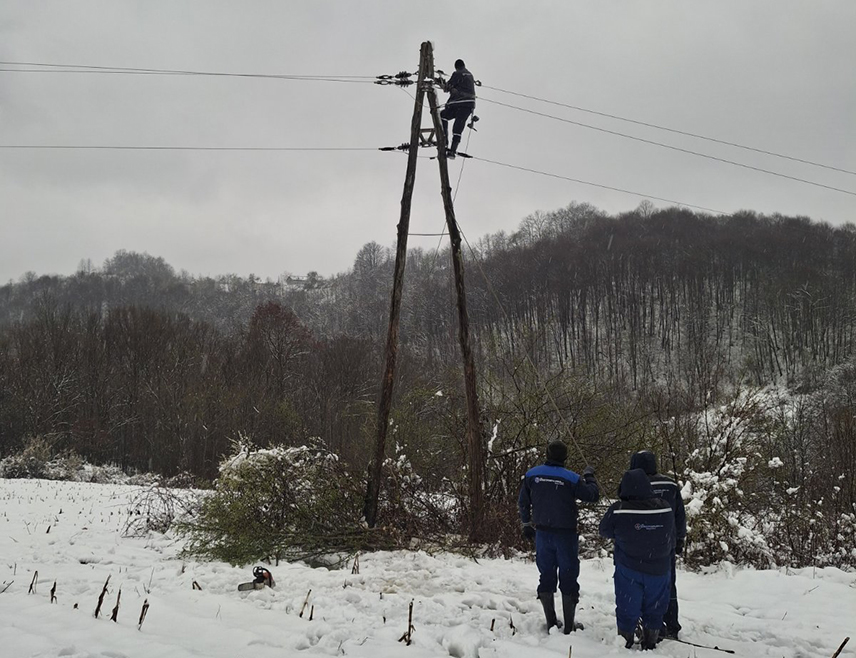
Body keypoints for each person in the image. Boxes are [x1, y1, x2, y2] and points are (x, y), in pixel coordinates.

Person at [518, 440, 600, 634]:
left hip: (542, 533)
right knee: (569, 575)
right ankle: (569, 627)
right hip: (565, 535)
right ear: (565, 457)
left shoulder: (532, 474)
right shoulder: (571, 478)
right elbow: (592, 496)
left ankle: (551, 622)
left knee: (546, 575)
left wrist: (526, 523)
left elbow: (523, 502)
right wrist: (589, 476)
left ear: (547, 454)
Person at [599, 468, 675, 650]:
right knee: (655, 608)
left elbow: (604, 530)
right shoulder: (665, 507)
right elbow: (671, 533)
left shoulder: (617, 511)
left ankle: (624, 642)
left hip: (629, 569)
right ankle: (650, 642)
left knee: (627, 607)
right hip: (659, 570)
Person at [630, 450, 686, 639]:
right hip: (666, 544)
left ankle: (651, 625)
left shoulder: (633, 484)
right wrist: (679, 539)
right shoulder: (670, 485)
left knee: (642, 585)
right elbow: (680, 515)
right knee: (668, 585)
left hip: (640, 544)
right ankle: (671, 625)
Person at [440, 59, 476, 158]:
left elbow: (447, 87)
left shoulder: (458, 74)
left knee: (442, 115)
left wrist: (441, 83)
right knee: (458, 126)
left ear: (456, 67)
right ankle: (452, 150)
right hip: (469, 105)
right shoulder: (470, 75)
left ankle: (444, 141)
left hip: (459, 104)